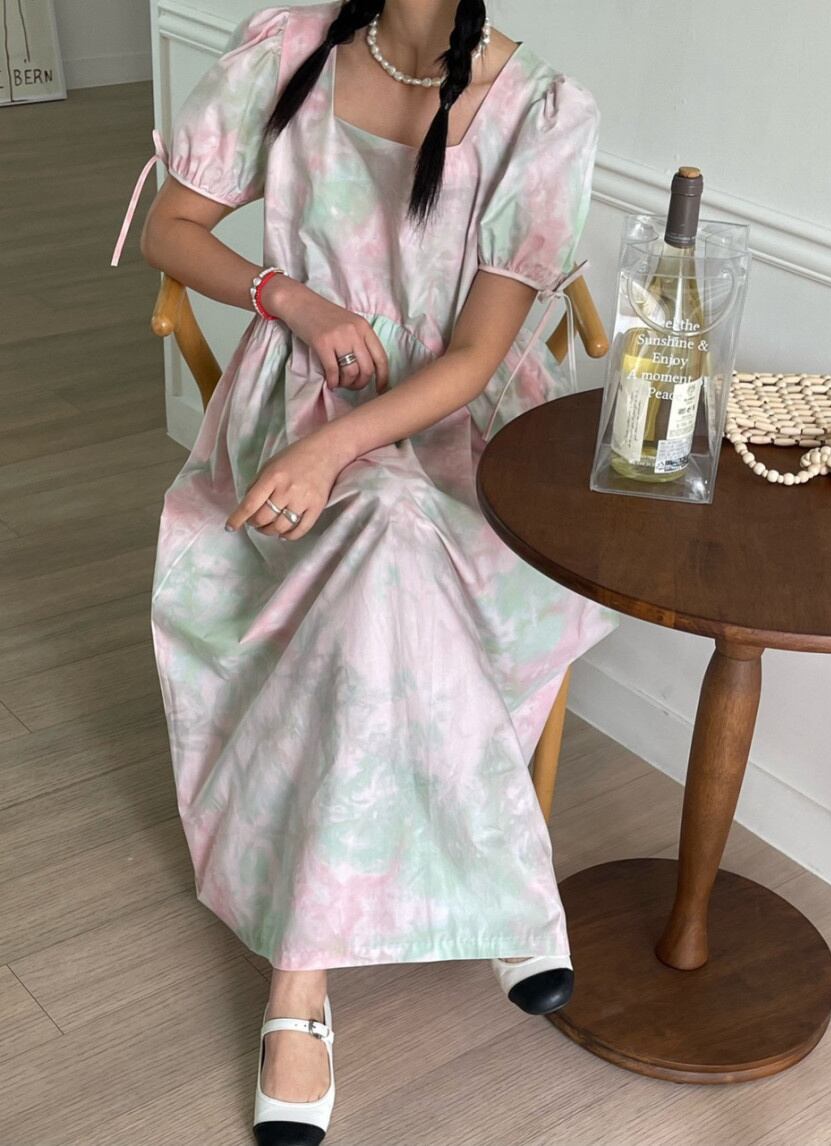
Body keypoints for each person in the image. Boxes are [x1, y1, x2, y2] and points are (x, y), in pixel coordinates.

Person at [110, 2, 617, 1141]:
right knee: (382, 536)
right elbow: (170, 231)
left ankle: (302, 981)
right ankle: (502, 888)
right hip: (291, 402)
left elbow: (478, 354)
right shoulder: (287, 51)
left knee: (390, 529)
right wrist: (287, 296)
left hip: (460, 434)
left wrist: (339, 450)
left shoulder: (540, 111)